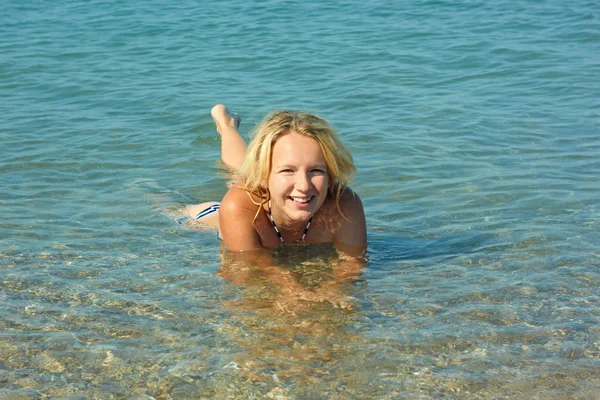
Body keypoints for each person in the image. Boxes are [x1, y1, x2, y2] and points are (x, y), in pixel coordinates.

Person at [183, 104, 367, 257]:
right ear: (263, 178)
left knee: (241, 172)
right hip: (211, 214)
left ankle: (228, 125)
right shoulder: (239, 206)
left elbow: (353, 266)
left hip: (267, 189)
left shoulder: (344, 204)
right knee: (239, 180)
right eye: (288, 170)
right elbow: (252, 269)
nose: (304, 186)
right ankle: (226, 125)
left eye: (316, 170)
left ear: (331, 175)